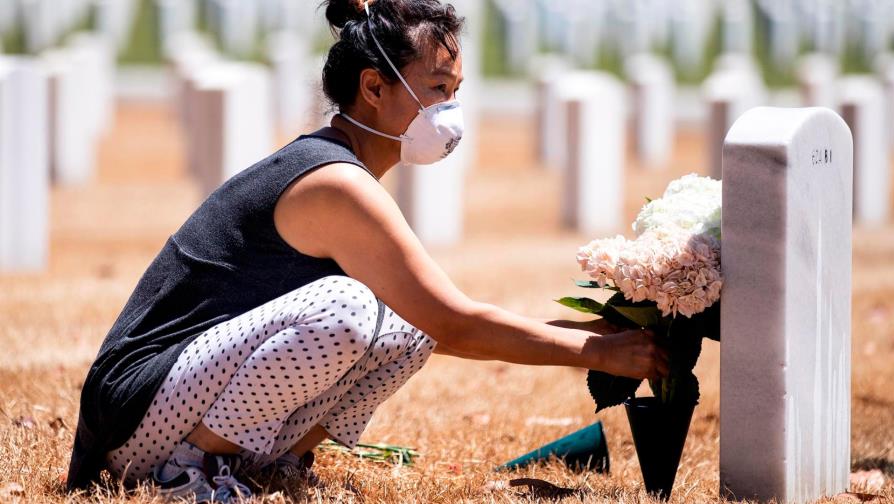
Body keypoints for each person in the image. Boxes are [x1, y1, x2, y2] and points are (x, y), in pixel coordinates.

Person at [65, 0, 668, 502]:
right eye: (436, 89)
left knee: (404, 326)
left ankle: (277, 466)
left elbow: (436, 319)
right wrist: (600, 352)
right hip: (134, 409)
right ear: (374, 87)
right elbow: (456, 323)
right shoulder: (335, 182)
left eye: (456, 91)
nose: (449, 111)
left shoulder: (346, 170)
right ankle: (187, 474)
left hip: (176, 395)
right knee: (350, 308)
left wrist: (609, 329)